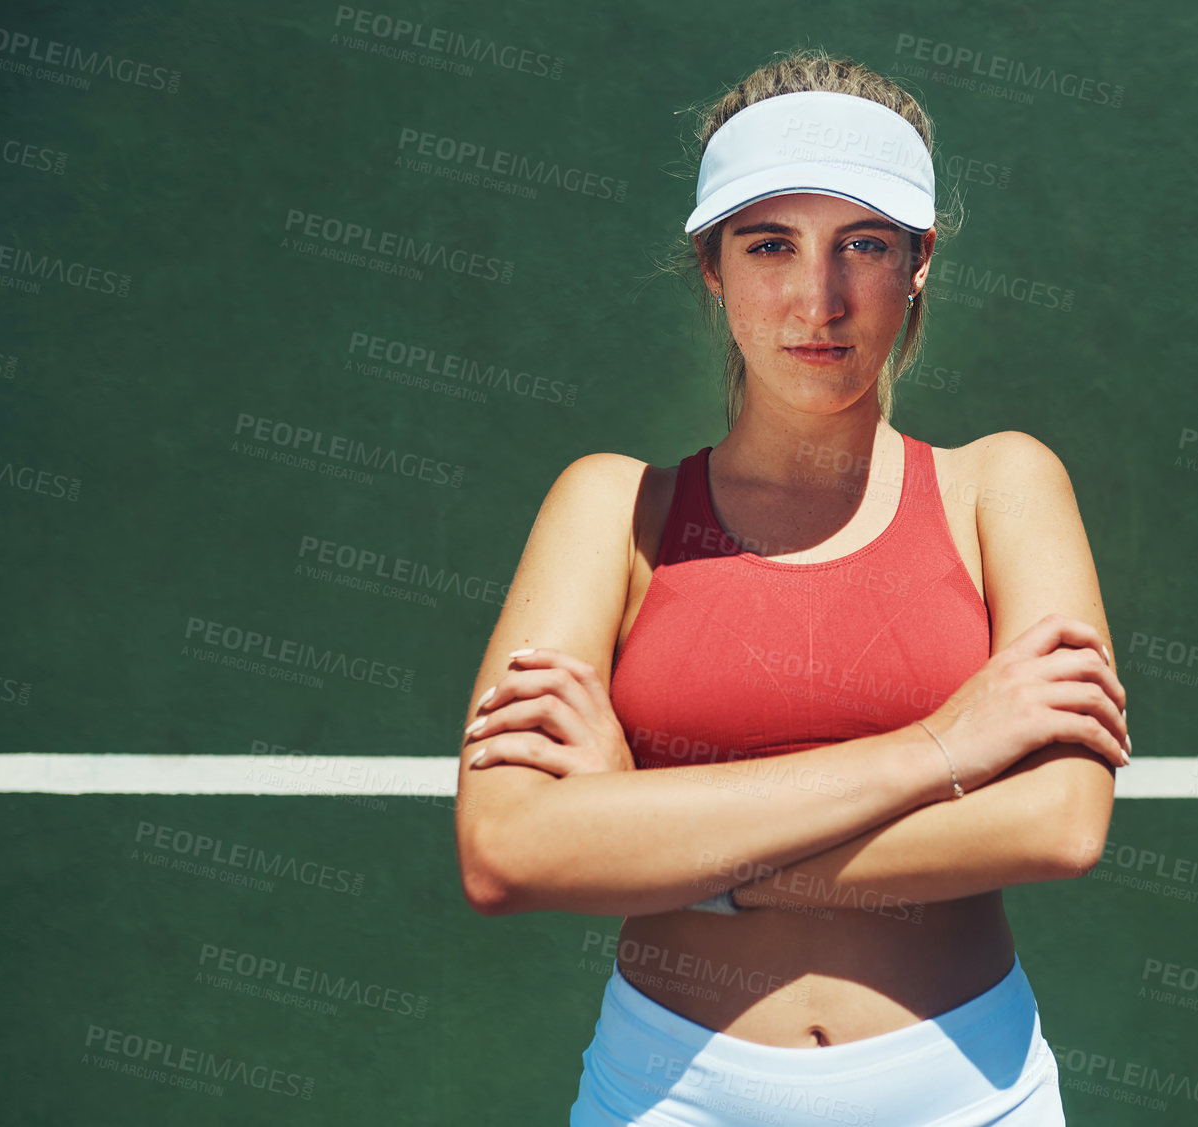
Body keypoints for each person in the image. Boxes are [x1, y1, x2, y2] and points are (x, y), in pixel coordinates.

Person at [454, 47, 1131, 1126]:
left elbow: (1055, 820)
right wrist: (941, 749)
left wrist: (664, 846)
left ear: (919, 262)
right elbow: (508, 848)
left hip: (968, 1097)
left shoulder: (1003, 484)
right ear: (712, 266)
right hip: (668, 1098)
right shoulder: (609, 509)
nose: (818, 298)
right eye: (770, 244)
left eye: (863, 244)